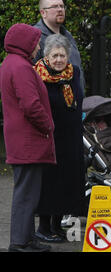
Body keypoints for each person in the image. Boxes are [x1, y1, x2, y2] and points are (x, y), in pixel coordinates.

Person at [0, 23, 56, 252]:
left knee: (27, 192)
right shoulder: (22, 67)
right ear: (25, 44)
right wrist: (48, 125)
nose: (38, 47)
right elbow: (31, 105)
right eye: (35, 43)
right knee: (26, 193)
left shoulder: (10, 63)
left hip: (21, 138)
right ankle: (21, 243)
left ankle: (26, 238)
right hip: (29, 139)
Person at [32, 34, 85, 242]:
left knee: (67, 182)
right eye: (54, 56)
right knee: (49, 183)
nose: (59, 60)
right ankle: (43, 228)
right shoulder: (38, 74)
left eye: (62, 55)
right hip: (49, 136)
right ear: (46, 56)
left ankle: (57, 225)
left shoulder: (74, 72)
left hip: (71, 137)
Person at [34, 0, 85, 93]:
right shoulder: (36, 38)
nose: (60, 9)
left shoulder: (68, 36)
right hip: (53, 105)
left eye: (62, 6)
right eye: (54, 6)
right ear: (43, 12)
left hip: (75, 103)